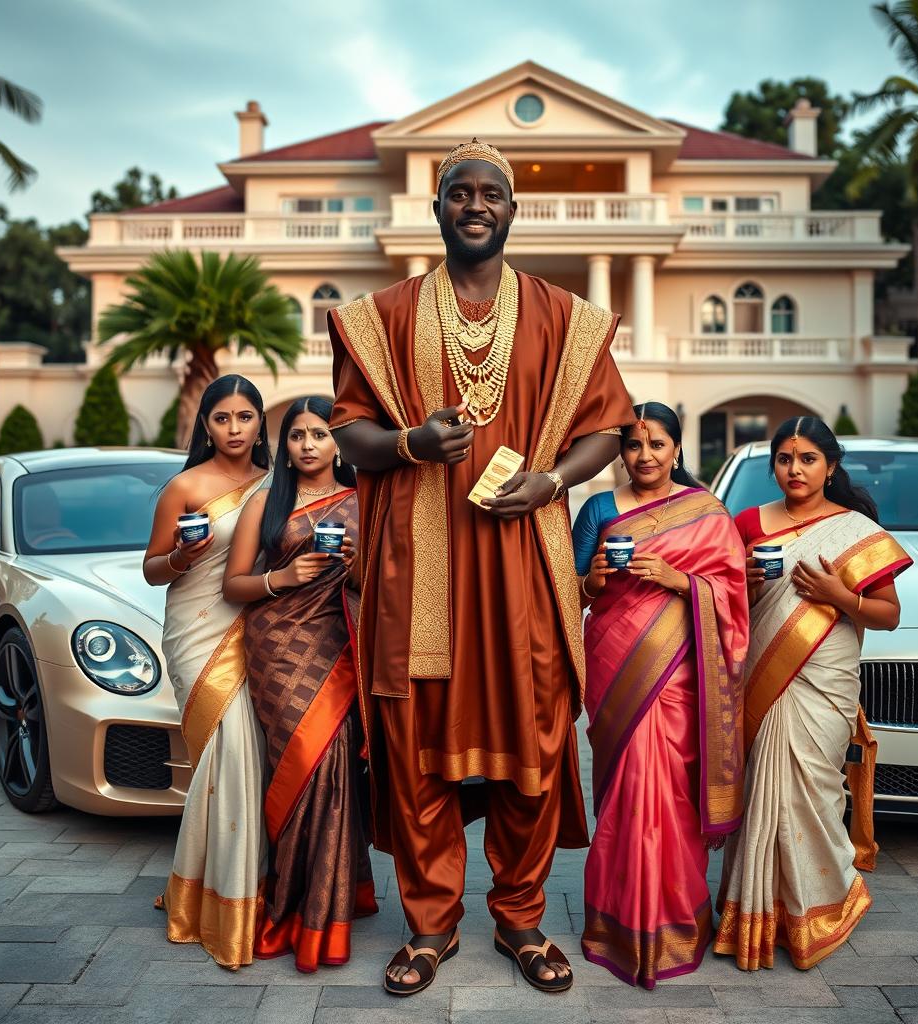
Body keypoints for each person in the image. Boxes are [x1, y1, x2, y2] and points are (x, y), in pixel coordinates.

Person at [328, 139, 634, 995]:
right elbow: (348, 427)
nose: (474, 203)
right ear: (436, 210)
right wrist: (406, 444)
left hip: (522, 568)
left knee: (532, 740)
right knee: (418, 743)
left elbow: (607, 427)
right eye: (457, 191)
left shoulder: (563, 318)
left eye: (489, 192)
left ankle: (522, 919)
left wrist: (551, 481)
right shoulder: (383, 314)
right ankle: (429, 927)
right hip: (417, 568)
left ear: (511, 210)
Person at [713, 416, 912, 971]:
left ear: (830, 465)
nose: (794, 470)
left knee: (814, 793)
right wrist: (743, 585)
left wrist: (838, 594)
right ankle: (751, 911)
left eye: (807, 459)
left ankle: (819, 908)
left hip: (823, 682)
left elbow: (889, 616)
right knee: (759, 792)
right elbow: (724, 605)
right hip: (762, 676)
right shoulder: (748, 523)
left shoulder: (854, 529)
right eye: (784, 458)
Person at [572, 402, 748, 988]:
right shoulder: (598, 507)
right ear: (619, 452)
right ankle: (616, 921)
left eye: (657, 445)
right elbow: (571, 587)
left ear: (677, 449)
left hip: (679, 672)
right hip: (615, 661)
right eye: (632, 445)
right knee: (625, 789)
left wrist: (682, 582)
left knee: (669, 788)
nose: (644, 457)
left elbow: (732, 593)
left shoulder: (707, 513)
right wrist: (594, 577)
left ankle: (675, 919)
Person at [223, 395, 377, 972]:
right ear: (283, 444)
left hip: (339, 641)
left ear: (339, 442)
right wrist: (280, 576)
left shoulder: (364, 501)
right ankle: (289, 902)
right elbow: (233, 586)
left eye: (319, 434)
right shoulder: (265, 502)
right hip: (277, 649)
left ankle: (326, 910)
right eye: (296, 435)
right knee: (299, 766)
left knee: (333, 764)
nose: (308, 444)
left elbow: (374, 586)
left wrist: (359, 560)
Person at [143, 374, 270, 970]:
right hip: (197, 630)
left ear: (260, 423)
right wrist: (180, 556)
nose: (236, 429)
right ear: (207, 425)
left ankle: (232, 888)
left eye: (246, 417)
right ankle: (214, 901)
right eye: (224, 418)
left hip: (260, 629)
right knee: (226, 747)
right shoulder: (185, 486)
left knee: (247, 758)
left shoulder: (279, 483)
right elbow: (151, 570)